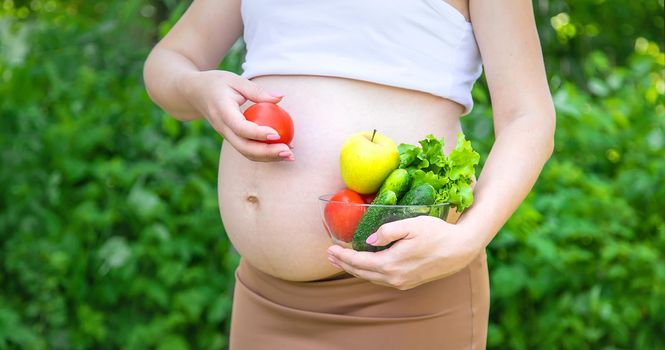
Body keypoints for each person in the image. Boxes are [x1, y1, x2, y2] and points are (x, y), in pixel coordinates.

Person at [143, 0, 555, 348]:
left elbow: (528, 117)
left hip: (400, 294)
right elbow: (170, 61)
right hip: (261, 296)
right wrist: (196, 89)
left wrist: (467, 240)